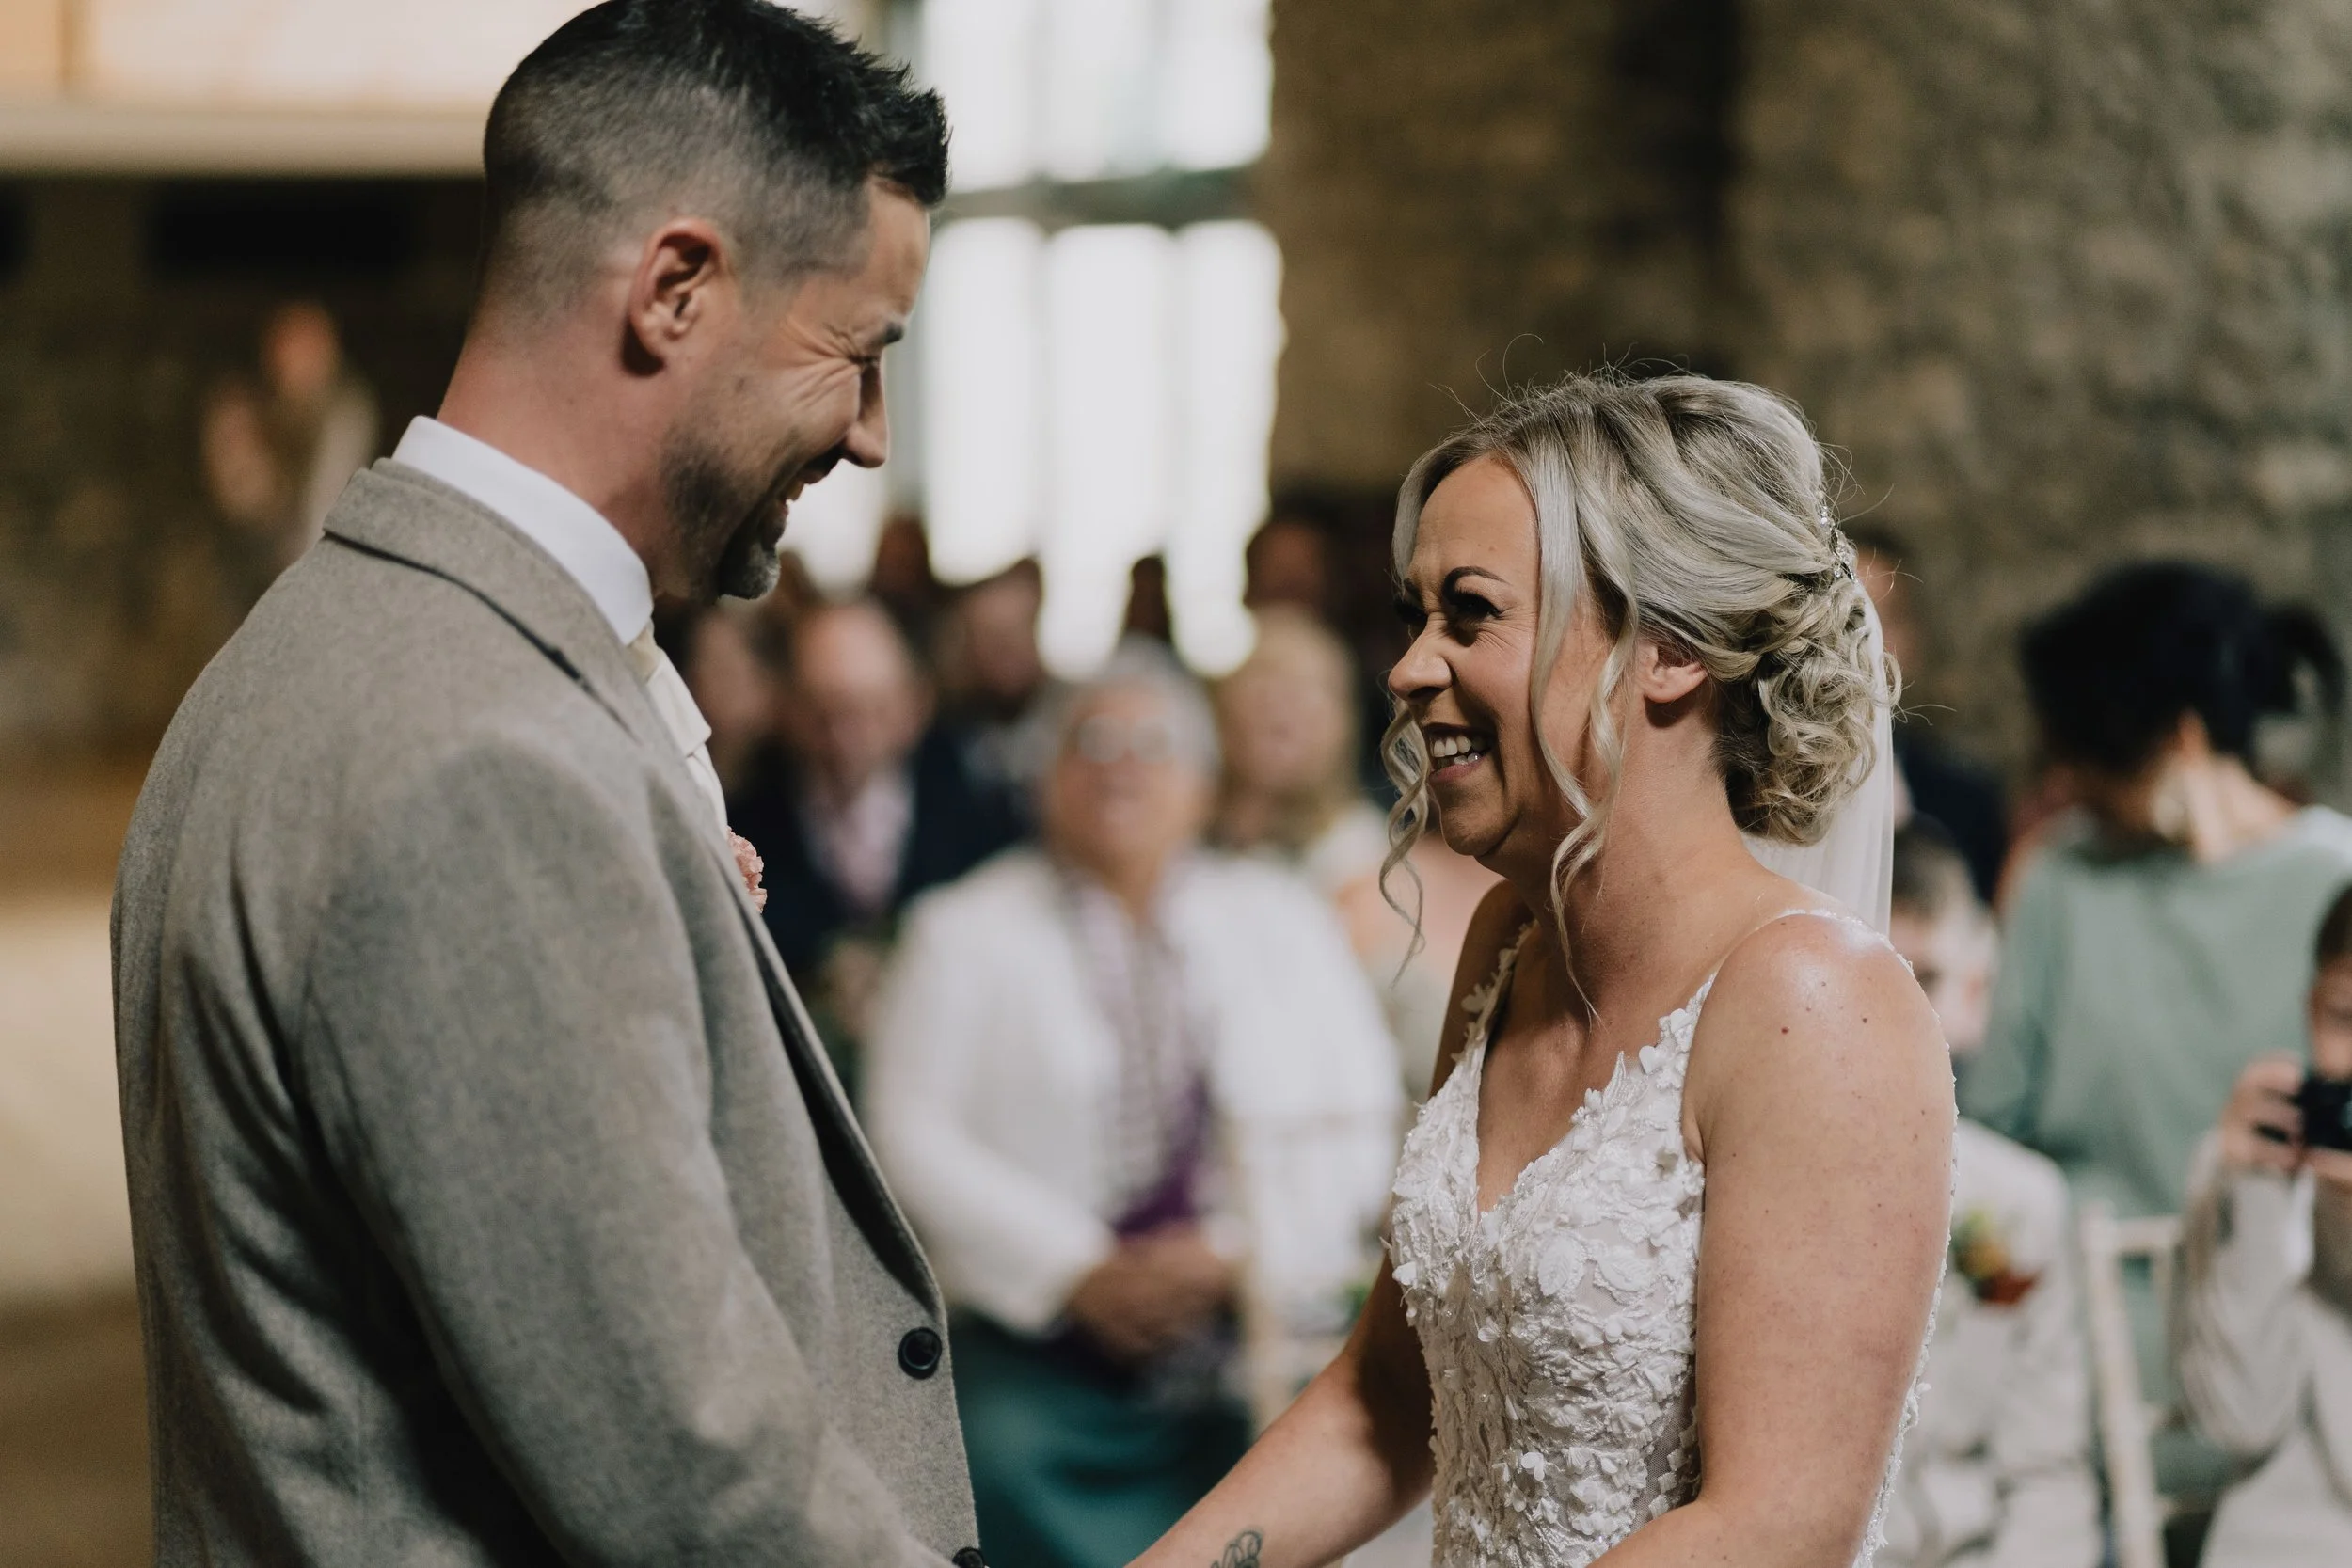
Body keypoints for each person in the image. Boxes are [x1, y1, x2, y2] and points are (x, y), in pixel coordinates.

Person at [109, 6, 983, 1565]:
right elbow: (688, 1467)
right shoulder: (480, 756)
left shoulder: (325, 639)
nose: (869, 437)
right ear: (675, 288)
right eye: (857, 357)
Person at [1131, 371, 1953, 1568]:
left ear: (1667, 650)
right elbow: (1380, 1404)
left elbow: (1775, 1524)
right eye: (1418, 617)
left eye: (1469, 613)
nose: (1411, 668)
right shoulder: (1502, 950)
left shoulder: (1815, 1003)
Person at [865, 642, 1403, 1568]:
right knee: (987, 1454)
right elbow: (908, 1131)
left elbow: (1359, 1109)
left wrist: (1235, 1248)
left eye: (1152, 742)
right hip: (1039, 1348)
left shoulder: (1280, 914)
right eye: (1092, 740)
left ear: (1202, 781)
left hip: (1249, 1334)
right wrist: (1075, 1267)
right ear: (1043, 777)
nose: (1120, 764)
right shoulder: (960, 928)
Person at [1960, 562, 2352, 1503]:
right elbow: (1990, 1129)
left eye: (2087, 754)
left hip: (2281, 1342)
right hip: (2083, 1344)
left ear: (2178, 737)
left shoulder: (2332, 880)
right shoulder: (2057, 875)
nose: (2067, 781)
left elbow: (1997, 1114)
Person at [1881, 824, 2099, 1568]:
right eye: (1878, 980)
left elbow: (2049, 1471)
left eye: (1928, 979)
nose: (1902, 1016)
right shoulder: (1755, 1191)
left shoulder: (2024, 1202)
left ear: (1975, 985)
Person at [2174, 879, 2352, 1567]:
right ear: (2311, 1010)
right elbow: (2241, 1419)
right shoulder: (2254, 1162)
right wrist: (2250, 1193)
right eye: (2345, 1015)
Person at [728, 596, 1023, 1008]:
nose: (845, 739)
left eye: (869, 711)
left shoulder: (980, 817)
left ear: (914, 705)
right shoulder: (739, 826)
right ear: (788, 708)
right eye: (824, 713)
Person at [1846, 524, 2008, 904]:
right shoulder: (1753, 792)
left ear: (1914, 638)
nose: (1866, 643)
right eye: (1850, 616)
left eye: (1886, 619)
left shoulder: (1966, 803)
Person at [1210, 606, 1390, 894]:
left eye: (1305, 687)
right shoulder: (1180, 834)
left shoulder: (1358, 852)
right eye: (1263, 677)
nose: (1279, 702)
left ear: (1341, 725)